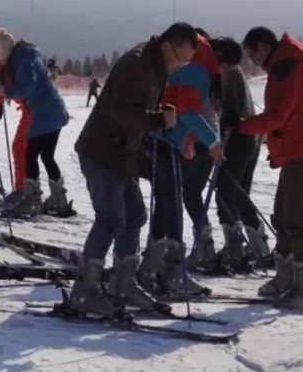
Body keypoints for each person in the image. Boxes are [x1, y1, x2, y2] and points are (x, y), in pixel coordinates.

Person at [68, 23, 192, 317]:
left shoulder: (156, 65)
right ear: (168, 47)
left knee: (134, 214)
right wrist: (158, 120)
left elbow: (137, 111)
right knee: (111, 219)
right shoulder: (138, 64)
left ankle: (123, 283)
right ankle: (84, 290)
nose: (180, 65)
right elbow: (121, 112)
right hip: (102, 151)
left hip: (122, 154)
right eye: (181, 58)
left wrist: (159, 121)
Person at [237, 27, 303, 311]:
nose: (252, 59)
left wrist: (241, 125)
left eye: (252, 52)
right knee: (282, 217)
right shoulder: (285, 64)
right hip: (297, 153)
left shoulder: (285, 70)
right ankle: (285, 278)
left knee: (296, 222)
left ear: (263, 46)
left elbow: (276, 117)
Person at [140, 30, 225, 287]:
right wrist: (212, 142)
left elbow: (176, 105)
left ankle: (152, 266)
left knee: (165, 203)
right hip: (164, 143)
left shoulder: (182, 69)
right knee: (172, 205)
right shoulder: (197, 71)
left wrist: (186, 140)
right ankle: (172, 272)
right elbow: (187, 112)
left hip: (157, 141)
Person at [0, 29, 73, 218]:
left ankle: (31, 200)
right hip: (54, 109)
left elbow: (28, 87)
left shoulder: (21, 59)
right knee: (47, 156)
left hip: (44, 113)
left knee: (30, 155)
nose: (1, 63)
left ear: (4, 52)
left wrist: (6, 91)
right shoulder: (28, 53)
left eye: (0, 59)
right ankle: (59, 199)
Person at [207, 37, 270, 270]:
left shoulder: (227, 71)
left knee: (226, 192)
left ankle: (235, 248)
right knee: (240, 194)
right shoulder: (232, 70)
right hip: (249, 137)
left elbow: (229, 111)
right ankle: (259, 247)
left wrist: (219, 136)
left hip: (237, 139)